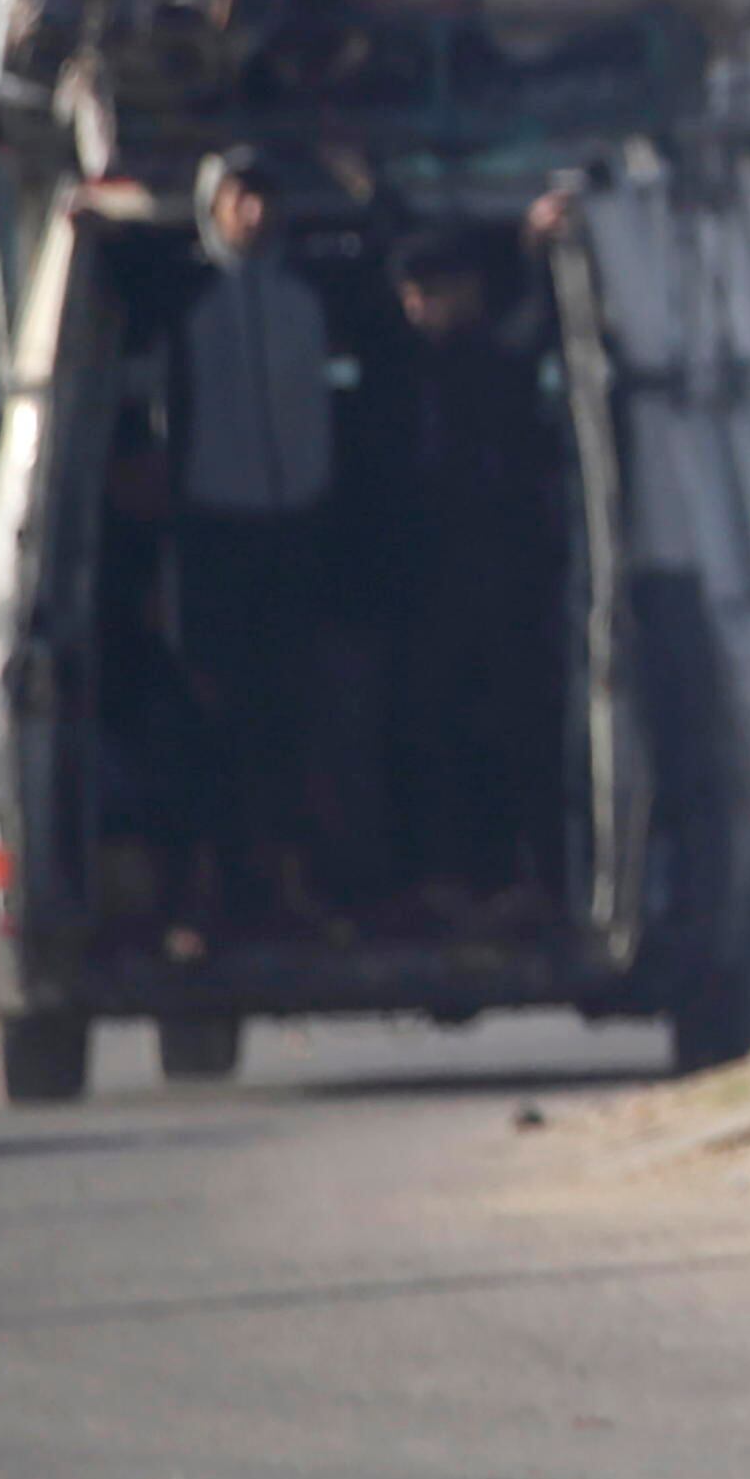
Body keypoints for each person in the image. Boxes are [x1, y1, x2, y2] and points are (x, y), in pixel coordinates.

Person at [337, 221, 573, 908]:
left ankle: (518, 876)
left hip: (499, 580)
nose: (418, 308)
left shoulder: (494, 362)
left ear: (467, 292)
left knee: (506, 726)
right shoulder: (402, 369)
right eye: (410, 294)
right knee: (428, 732)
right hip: (424, 586)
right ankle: (442, 876)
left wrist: (535, 251)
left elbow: (536, 333)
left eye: (431, 293)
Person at [162, 148, 344, 917]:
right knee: (211, 712)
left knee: (290, 712)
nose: (255, 214)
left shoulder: (308, 298)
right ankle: (210, 881)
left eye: (266, 197)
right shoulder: (187, 295)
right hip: (214, 524)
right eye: (240, 197)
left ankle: (292, 876)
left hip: (296, 522)